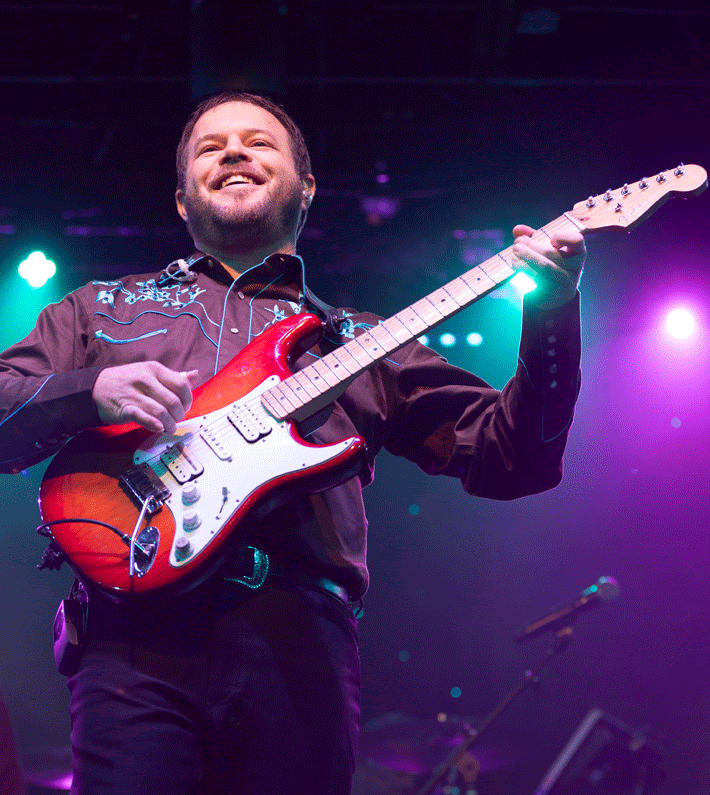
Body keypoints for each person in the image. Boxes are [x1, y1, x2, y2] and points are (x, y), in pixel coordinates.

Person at [0, 91, 585, 794]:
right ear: (183, 199)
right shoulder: (100, 309)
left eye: (258, 141)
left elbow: (513, 457)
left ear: (306, 189)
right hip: (133, 641)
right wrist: (89, 389)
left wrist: (552, 315)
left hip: (298, 644)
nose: (235, 152)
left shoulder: (360, 340)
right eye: (211, 147)